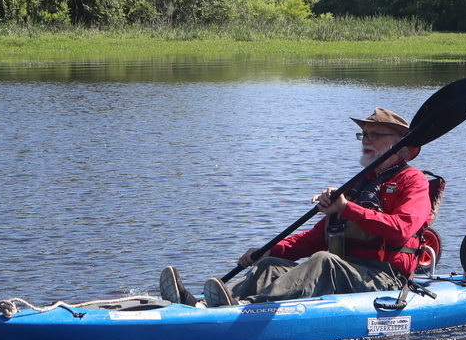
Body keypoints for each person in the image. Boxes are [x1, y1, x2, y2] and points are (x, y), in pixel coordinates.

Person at [159, 107, 436, 308]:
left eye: (375, 135)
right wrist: (268, 249)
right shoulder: (358, 184)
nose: (366, 140)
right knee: (269, 265)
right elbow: (317, 238)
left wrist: (348, 208)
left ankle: (244, 306)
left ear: (398, 145)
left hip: (384, 277)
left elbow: (402, 230)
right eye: (363, 134)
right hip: (349, 271)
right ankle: (203, 303)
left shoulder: (413, 180)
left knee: (323, 261)